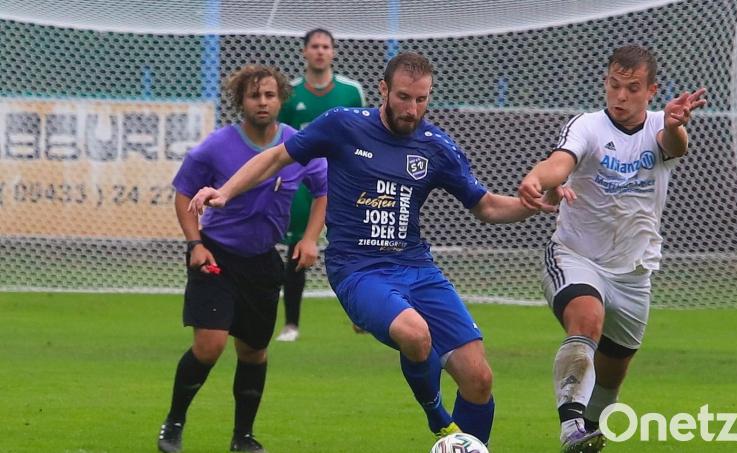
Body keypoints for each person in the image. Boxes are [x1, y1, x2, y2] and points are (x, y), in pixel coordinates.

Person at [189, 52, 568, 447]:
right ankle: (439, 420)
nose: (412, 109)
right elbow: (277, 157)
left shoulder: (436, 146)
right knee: (414, 333)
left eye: (422, 99)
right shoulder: (343, 126)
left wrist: (531, 204)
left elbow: (486, 206)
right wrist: (226, 192)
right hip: (357, 270)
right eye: (404, 97)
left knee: (479, 378)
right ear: (384, 90)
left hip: (417, 266)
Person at [518, 45, 706, 453]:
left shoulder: (661, 126)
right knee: (587, 319)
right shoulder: (587, 126)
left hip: (633, 272)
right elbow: (559, 163)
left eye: (632, 88)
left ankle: (588, 436)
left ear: (651, 90)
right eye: (614, 85)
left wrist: (676, 124)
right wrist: (537, 178)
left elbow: (675, 146)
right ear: (605, 83)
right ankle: (570, 430)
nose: (620, 96)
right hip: (576, 255)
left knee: (612, 375)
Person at [157, 65, 328, 453]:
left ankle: (242, 437)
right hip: (216, 256)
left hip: (262, 261)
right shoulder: (216, 146)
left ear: (282, 98)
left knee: (253, 351)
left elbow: (324, 190)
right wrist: (194, 244)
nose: (263, 102)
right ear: (241, 101)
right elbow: (183, 194)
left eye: (269, 94)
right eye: (254, 95)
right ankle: (173, 423)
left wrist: (310, 237)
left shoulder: (298, 145)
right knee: (210, 346)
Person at [276, 28, 366, 342]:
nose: (320, 51)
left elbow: (362, 134)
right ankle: (291, 324)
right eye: (314, 46)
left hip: (343, 181)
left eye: (325, 46)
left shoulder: (350, 91)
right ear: (304, 52)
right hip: (302, 184)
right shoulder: (290, 92)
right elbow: (281, 137)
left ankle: (362, 314)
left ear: (333, 52)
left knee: (353, 246)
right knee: (298, 247)